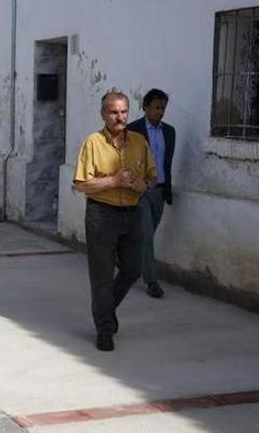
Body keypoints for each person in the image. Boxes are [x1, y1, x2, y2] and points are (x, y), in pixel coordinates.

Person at [73, 90, 157, 352]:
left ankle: (106, 309)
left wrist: (143, 184)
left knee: (133, 269)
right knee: (102, 276)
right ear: (103, 114)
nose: (119, 117)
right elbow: (82, 184)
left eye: (123, 112)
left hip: (133, 213)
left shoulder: (140, 141)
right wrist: (115, 181)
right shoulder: (93, 142)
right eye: (113, 112)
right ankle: (105, 329)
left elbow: (152, 177)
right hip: (102, 214)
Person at [127, 88, 175, 299]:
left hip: (160, 190)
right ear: (145, 107)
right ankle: (151, 281)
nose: (160, 112)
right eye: (156, 107)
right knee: (146, 234)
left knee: (148, 233)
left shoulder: (169, 132)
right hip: (140, 191)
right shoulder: (133, 130)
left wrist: (166, 189)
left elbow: (167, 161)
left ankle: (125, 258)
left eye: (163, 108)